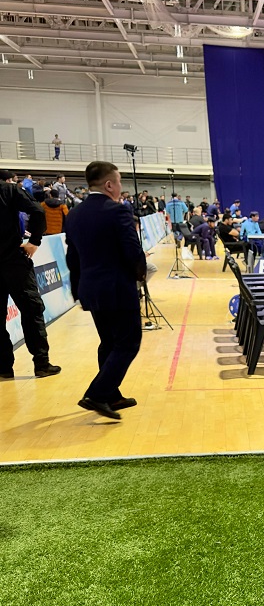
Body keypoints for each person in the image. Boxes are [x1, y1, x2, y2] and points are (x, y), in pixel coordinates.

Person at [64, 161, 146, 419]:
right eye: (119, 182)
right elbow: (132, 250)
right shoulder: (117, 211)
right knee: (128, 343)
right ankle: (97, 394)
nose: (120, 186)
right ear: (109, 184)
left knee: (109, 342)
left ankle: (111, 395)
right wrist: (140, 275)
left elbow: (72, 258)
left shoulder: (74, 214)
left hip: (91, 288)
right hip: (117, 288)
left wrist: (77, 289)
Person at [0, 169, 62, 380]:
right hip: (13, 260)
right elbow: (37, 211)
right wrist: (34, 241)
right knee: (31, 310)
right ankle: (41, 364)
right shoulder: (9, 190)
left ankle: (3, 368)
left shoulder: (9, 190)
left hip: (12, 260)